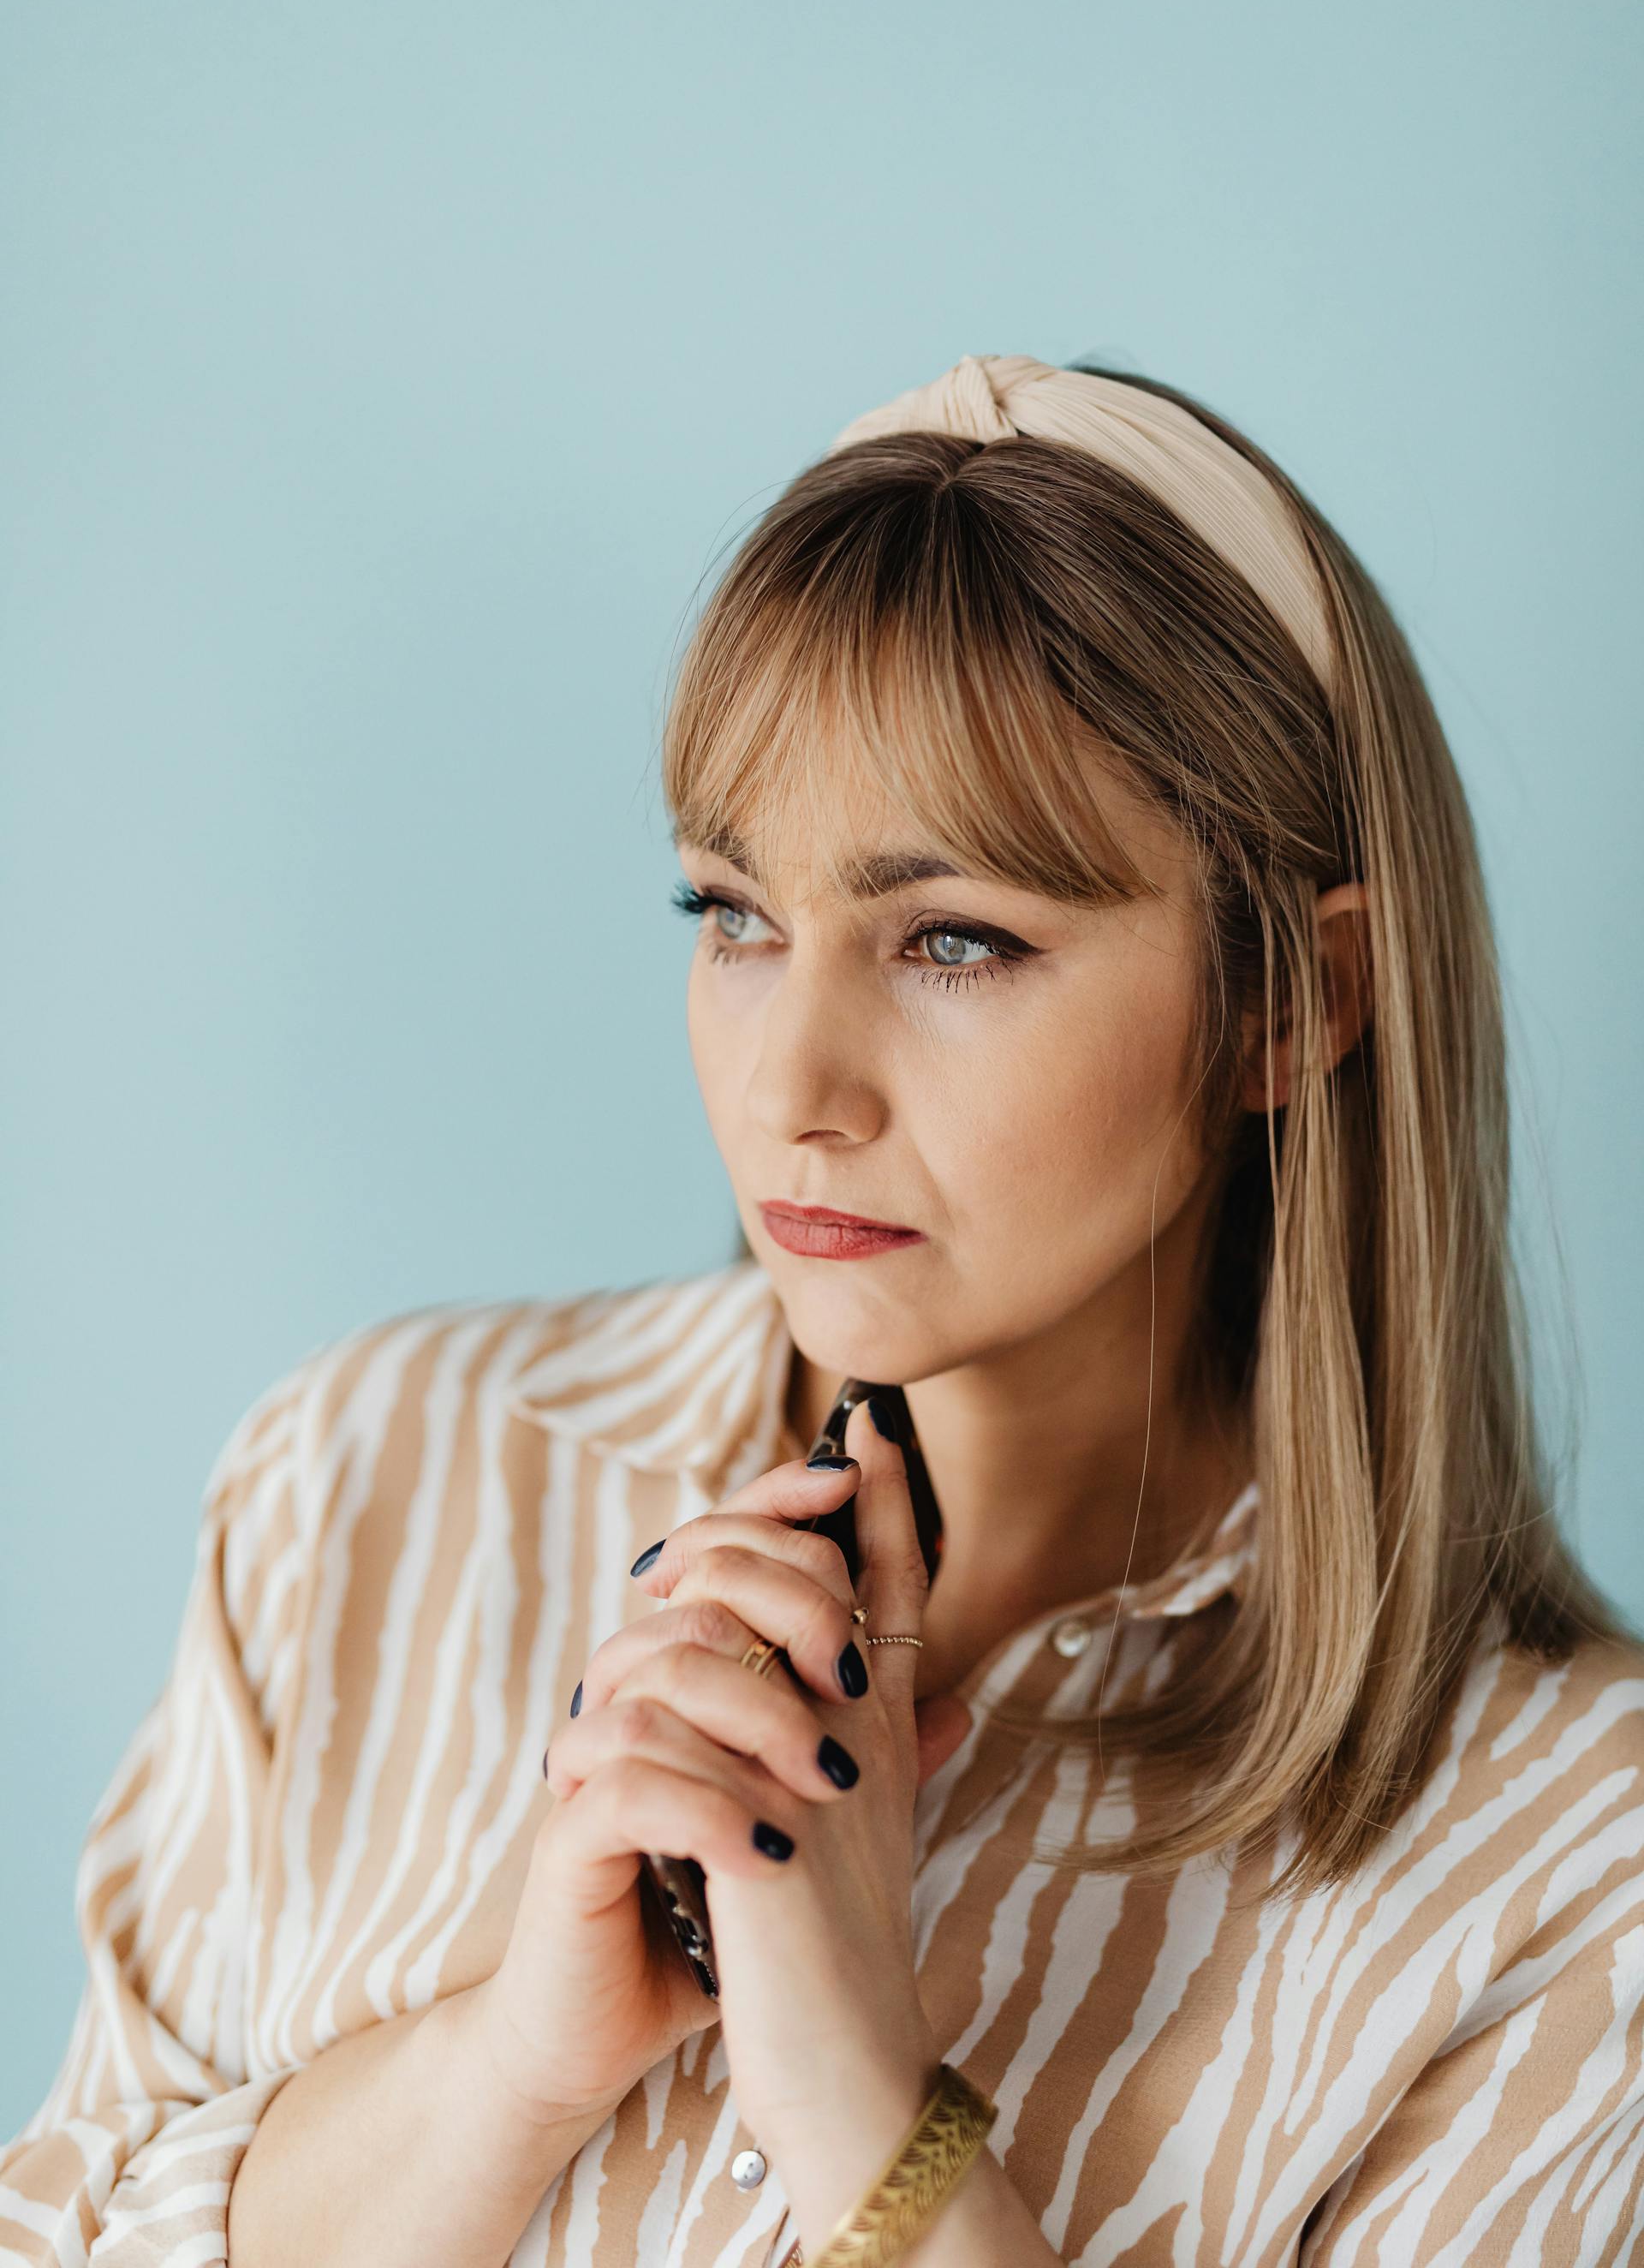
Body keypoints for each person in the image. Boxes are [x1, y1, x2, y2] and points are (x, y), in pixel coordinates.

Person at [3, 354, 1641, 2268]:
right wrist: (509, 2067)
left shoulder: (1576, 1862)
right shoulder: (372, 1479)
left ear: (1296, 1001)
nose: (792, 1083)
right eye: (734, 914)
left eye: (954, 940)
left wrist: (878, 2122)